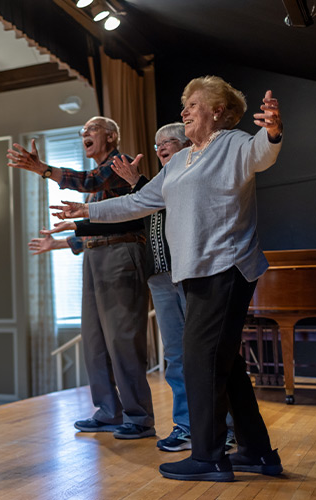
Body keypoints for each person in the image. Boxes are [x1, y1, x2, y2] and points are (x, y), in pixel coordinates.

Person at [52, 77, 284, 481]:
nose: (184, 111)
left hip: (226, 266)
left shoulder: (233, 144)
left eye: (193, 104)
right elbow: (139, 201)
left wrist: (274, 132)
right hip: (193, 273)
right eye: (184, 104)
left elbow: (261, 153)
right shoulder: (180, 161)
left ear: (217, 109)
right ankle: (258, 452)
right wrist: (86, 212)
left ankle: (209, 456)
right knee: (224, 365)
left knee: (198, 362)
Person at [8, 116, 155, 440]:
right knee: (94, 340)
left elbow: (90, 182)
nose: (84, 134)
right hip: (95, 256)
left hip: (122, 257)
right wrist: (58, 243)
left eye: (91, 130)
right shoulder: (99, 186)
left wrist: (44, 169)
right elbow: (97, 228)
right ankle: (108, 411)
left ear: (111, 136)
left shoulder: (121, 164)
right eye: (82, 132)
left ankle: (139, 418)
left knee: (121, 340)